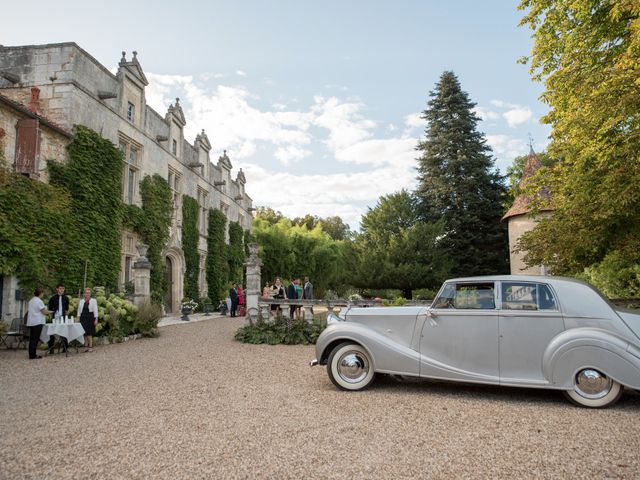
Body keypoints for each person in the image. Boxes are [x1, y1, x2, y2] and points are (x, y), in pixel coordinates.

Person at [26, 287, 51, 360]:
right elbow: (44, 311)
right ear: (41, 293)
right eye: (43, 293)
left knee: (32, 339)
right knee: (35, 339)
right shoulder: (39, 301)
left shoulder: (31, 300)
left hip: (31, 322)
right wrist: (51, 311)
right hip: (37, 322)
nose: (43, 294)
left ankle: (31, 354)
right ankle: (33, 355)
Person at [47, 283, 69, 354]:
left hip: (63, 317)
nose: (62, 290)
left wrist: (66, 316)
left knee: (65, 332)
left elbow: (66, 309)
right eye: (60, 288)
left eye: (63, 288)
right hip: (55, 317)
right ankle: (51, 348)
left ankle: (65, 348)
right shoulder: (52, 298)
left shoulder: (66, 298)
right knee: (52, 333)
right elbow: (50, 309)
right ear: (57, 289)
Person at [77, 287, 98, 352]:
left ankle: (90, 346)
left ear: (90, 294)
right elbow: (79, 310)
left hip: (90, 318)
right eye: (86, 293)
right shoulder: (81, 301)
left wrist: (96, 319)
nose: (87, 294)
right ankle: (85, 346)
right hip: (83, 318)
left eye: (89, 293)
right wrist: (78, 318)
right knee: (84, 333)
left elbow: (95, 310)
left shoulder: (93, 301)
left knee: (89, 334)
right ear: (84, 294)